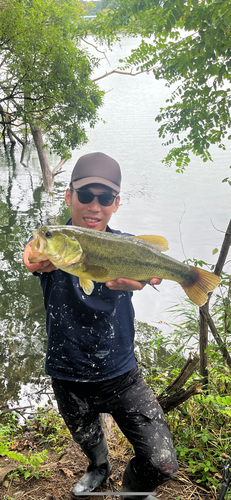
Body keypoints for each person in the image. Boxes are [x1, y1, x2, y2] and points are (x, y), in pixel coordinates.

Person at [23, 152, 178, 499]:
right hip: (67, 373)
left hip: (121, 373)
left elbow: (149, 266)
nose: (94, 205)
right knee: (89, 441)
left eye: (105, 198)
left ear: (116, 203)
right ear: (69, 196)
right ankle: (99, 467)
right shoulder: (52, 246)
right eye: (85, 195)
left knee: (163, 463)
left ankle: (128, 493)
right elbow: (31, 255)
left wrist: (148, 278)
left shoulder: (127, 246)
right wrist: (35, 258)